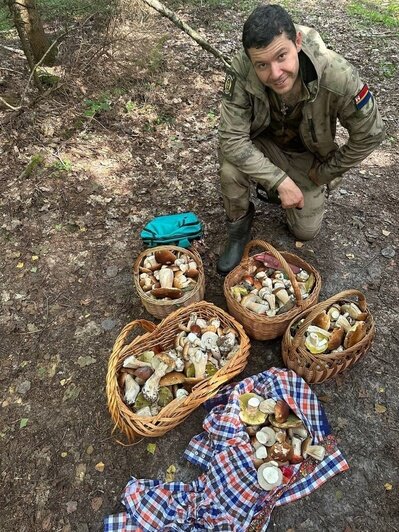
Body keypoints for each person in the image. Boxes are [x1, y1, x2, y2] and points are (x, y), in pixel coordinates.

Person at [216, 4, 385, 275]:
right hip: (264, 145)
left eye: (282, 56)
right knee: (230, 167)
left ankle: (288, 187)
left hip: (308, 157)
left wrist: (325, 173)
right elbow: (232, 139)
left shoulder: (337, 75)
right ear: (251, 60)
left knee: (305, 231)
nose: (275, 73)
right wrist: (279, 181)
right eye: (262, 64)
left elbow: (371, 134)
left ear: (297, 42)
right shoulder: (241, 68)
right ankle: (238, 227)